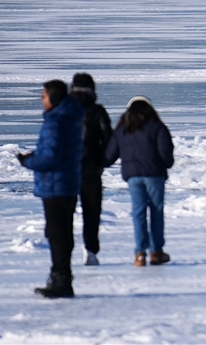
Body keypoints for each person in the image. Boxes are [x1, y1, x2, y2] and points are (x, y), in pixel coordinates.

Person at [17, 79, 84, 299]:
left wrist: (29, 161)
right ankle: (61, 276)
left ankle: (61, 280)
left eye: (43, 96)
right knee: (62, 232)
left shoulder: (57, 122)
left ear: (53, 98)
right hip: (66, 182)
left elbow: (51, 156)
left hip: (56, 184)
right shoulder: (70, 118)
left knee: (57, 234)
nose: (41, 100)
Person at [105, 96, 174, 267]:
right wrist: (166, 163)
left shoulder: (122, 130)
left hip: (133, 175)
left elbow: (109, 156)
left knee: (138, 212)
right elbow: (166, 155)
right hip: (154, 174)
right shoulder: (158, 127)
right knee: (156, 211)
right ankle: (156, 251)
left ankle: (139, 253)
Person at [70, 73, 111, 267]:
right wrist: (102, 161)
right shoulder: (97, 111)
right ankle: (91, 250)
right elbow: (109, 140)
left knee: (64, 213)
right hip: (92, 171)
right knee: (91, 212)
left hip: (67, 170)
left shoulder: (64, 111)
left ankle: (64, 250)